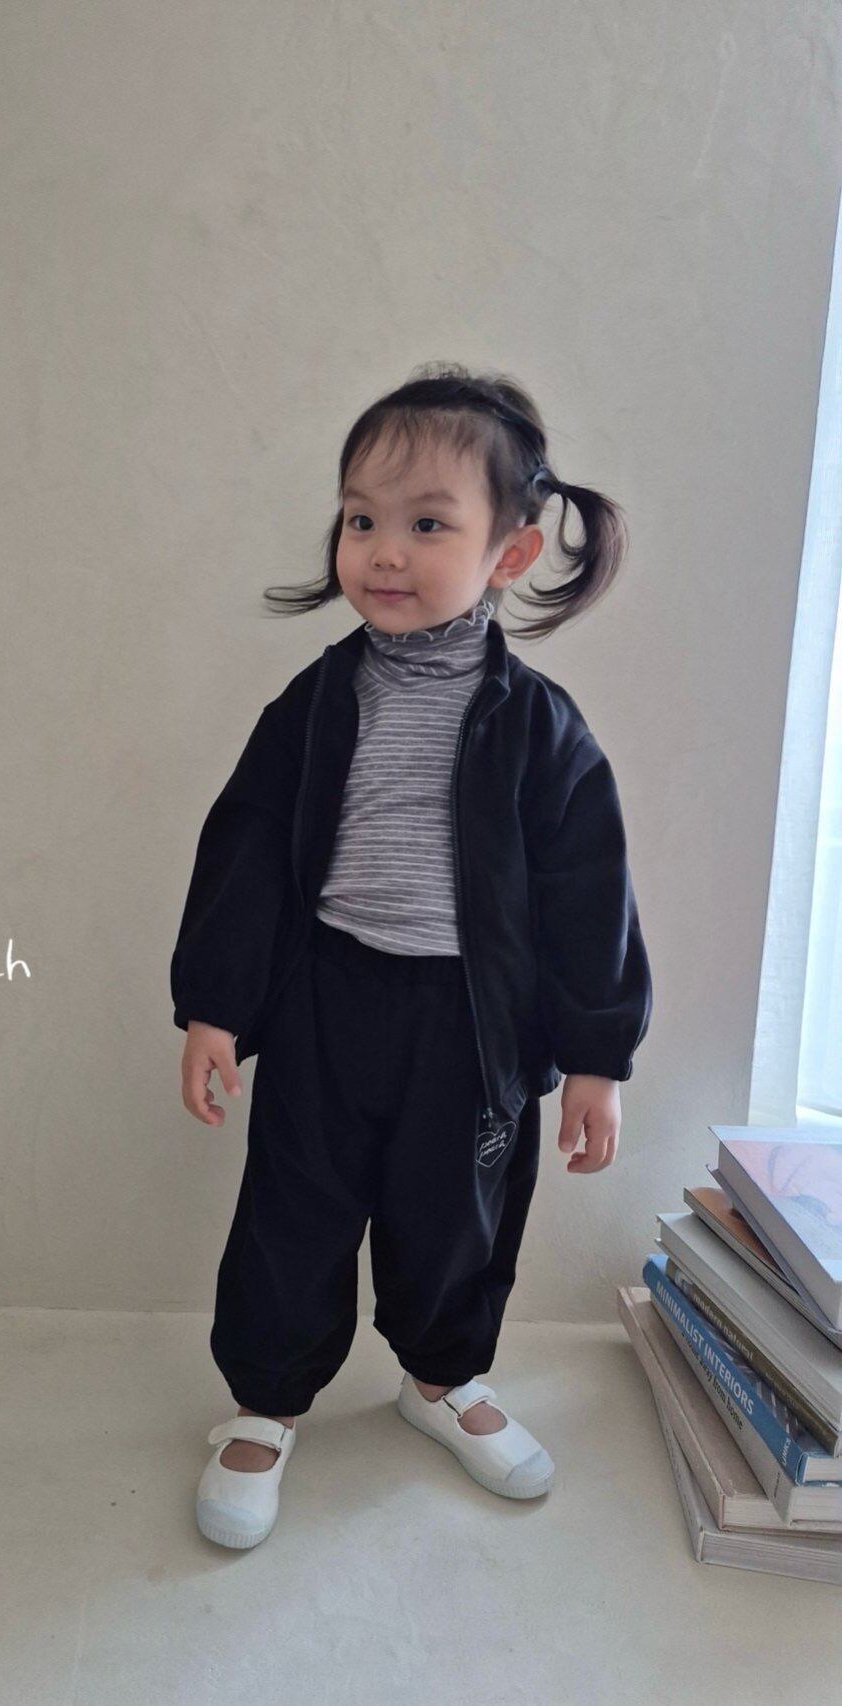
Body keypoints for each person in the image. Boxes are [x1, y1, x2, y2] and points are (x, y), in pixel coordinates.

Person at [170, 362, 653, 1550]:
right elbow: (245, 851)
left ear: (508, 552)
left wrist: (595, 1059)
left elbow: (589, 894)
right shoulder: (313, 703)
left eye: (427, 523)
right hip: (327, 1000)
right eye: (360, 519)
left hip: (471, 1024)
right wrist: (214, 1007)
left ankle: (440, 1380)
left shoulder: (540, 729)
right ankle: (265, 1402)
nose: (383, 552)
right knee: (292, 1205)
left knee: (456, 1217)